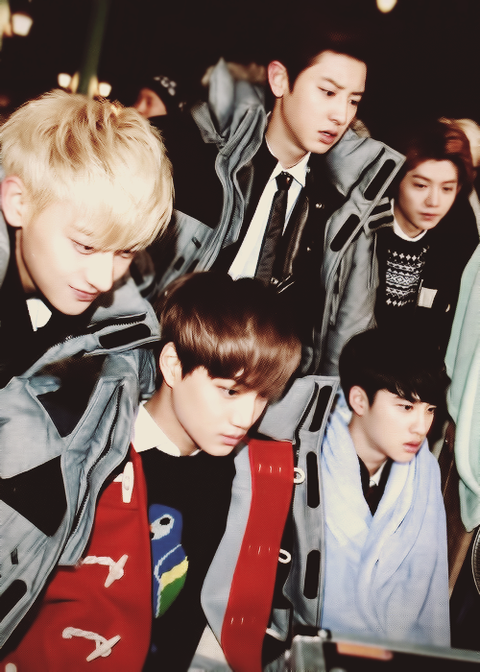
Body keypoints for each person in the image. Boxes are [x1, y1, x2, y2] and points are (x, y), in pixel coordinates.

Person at [1, 272, 302, 671]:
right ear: (173, 365)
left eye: (263, 396)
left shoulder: (247, 476)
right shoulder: (83, 458)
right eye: (230, 391)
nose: (246, 417)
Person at [0, 90, 173, 650]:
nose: (103, 277)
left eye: (124, 253)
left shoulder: (116, 334)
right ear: (17, 202)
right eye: (86, 246)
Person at [144, 22, 404, 376]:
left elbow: (349, 326)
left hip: (269, 387)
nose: (341, 115)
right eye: (328, 92)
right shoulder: (198, 162)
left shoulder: (346, 204)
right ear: (280, 79)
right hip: (169, 365)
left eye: (353, 100)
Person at [319, 329, 450, 646]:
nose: (421, 427)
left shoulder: (425, 470)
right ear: (359, 400)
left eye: (430, 409)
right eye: (406, 407)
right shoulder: (309, 461)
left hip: (398, 647)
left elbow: (431, 585)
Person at [374, 119, 478, 354]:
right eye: (421, 186)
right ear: (396, 181)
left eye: (447, 188)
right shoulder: (361, 236)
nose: (434, 202)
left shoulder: (456, 245)